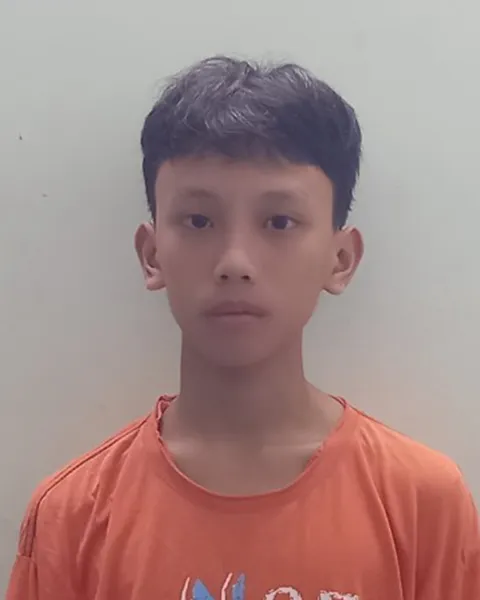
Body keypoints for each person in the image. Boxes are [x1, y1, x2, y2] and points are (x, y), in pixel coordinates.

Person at [6, 55, 480, 600]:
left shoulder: (421, 504)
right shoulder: (74, 516)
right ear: (152, 255)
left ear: (341, 259)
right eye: (199, 221)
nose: (235, 261)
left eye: (278, 222)